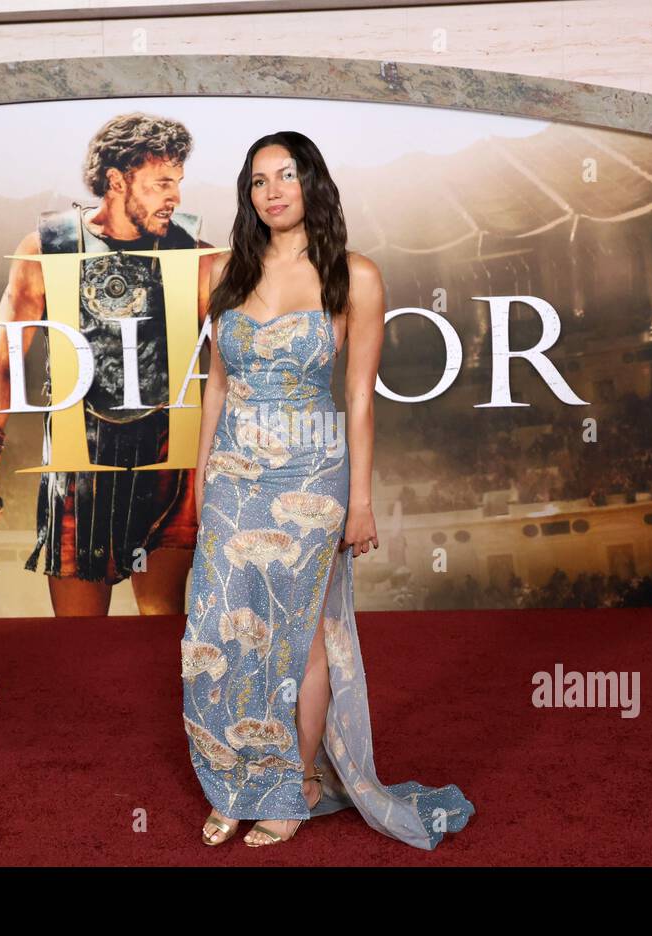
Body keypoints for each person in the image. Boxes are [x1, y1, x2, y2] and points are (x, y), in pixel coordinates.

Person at [180, 131, 475, 849]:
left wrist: (362, 501)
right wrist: (199, 478)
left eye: (286, 175)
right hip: (231, 476)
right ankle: (232, 780)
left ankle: (295, 784)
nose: (272, 190)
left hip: (312, 478)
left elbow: (360, 399)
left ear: (312, 183)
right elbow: (216, 385)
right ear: (247, 195)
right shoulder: (223, 270)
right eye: (258, 180)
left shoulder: (356, 275)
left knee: (299, 640)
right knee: (214, 634)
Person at [0, 112, 212, 615]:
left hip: (168, 463)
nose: (176, 197)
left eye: (178, 182)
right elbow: (5, 363)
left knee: (162, 636)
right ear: (118, 180)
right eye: (162, 182)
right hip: (80, 467)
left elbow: (237, 365)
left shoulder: (195, 254)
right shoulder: (46, 250)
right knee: (80, 646)